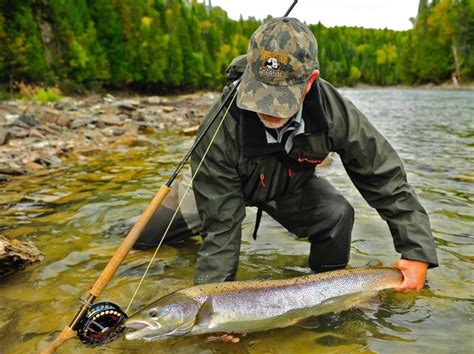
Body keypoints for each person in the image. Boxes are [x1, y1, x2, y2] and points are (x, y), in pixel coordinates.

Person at [134, 18, 438, 294]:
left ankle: (326, 299)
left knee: (337, 215)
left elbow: (385, 178)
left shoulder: (334, 111)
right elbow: (221, 224)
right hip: (218, 184)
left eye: (281, 97)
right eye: (260, 91)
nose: (267, 108)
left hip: (285, 185)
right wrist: (215, 300)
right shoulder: (220, 125)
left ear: (310, 81)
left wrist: (416, 251)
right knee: (144, 238)